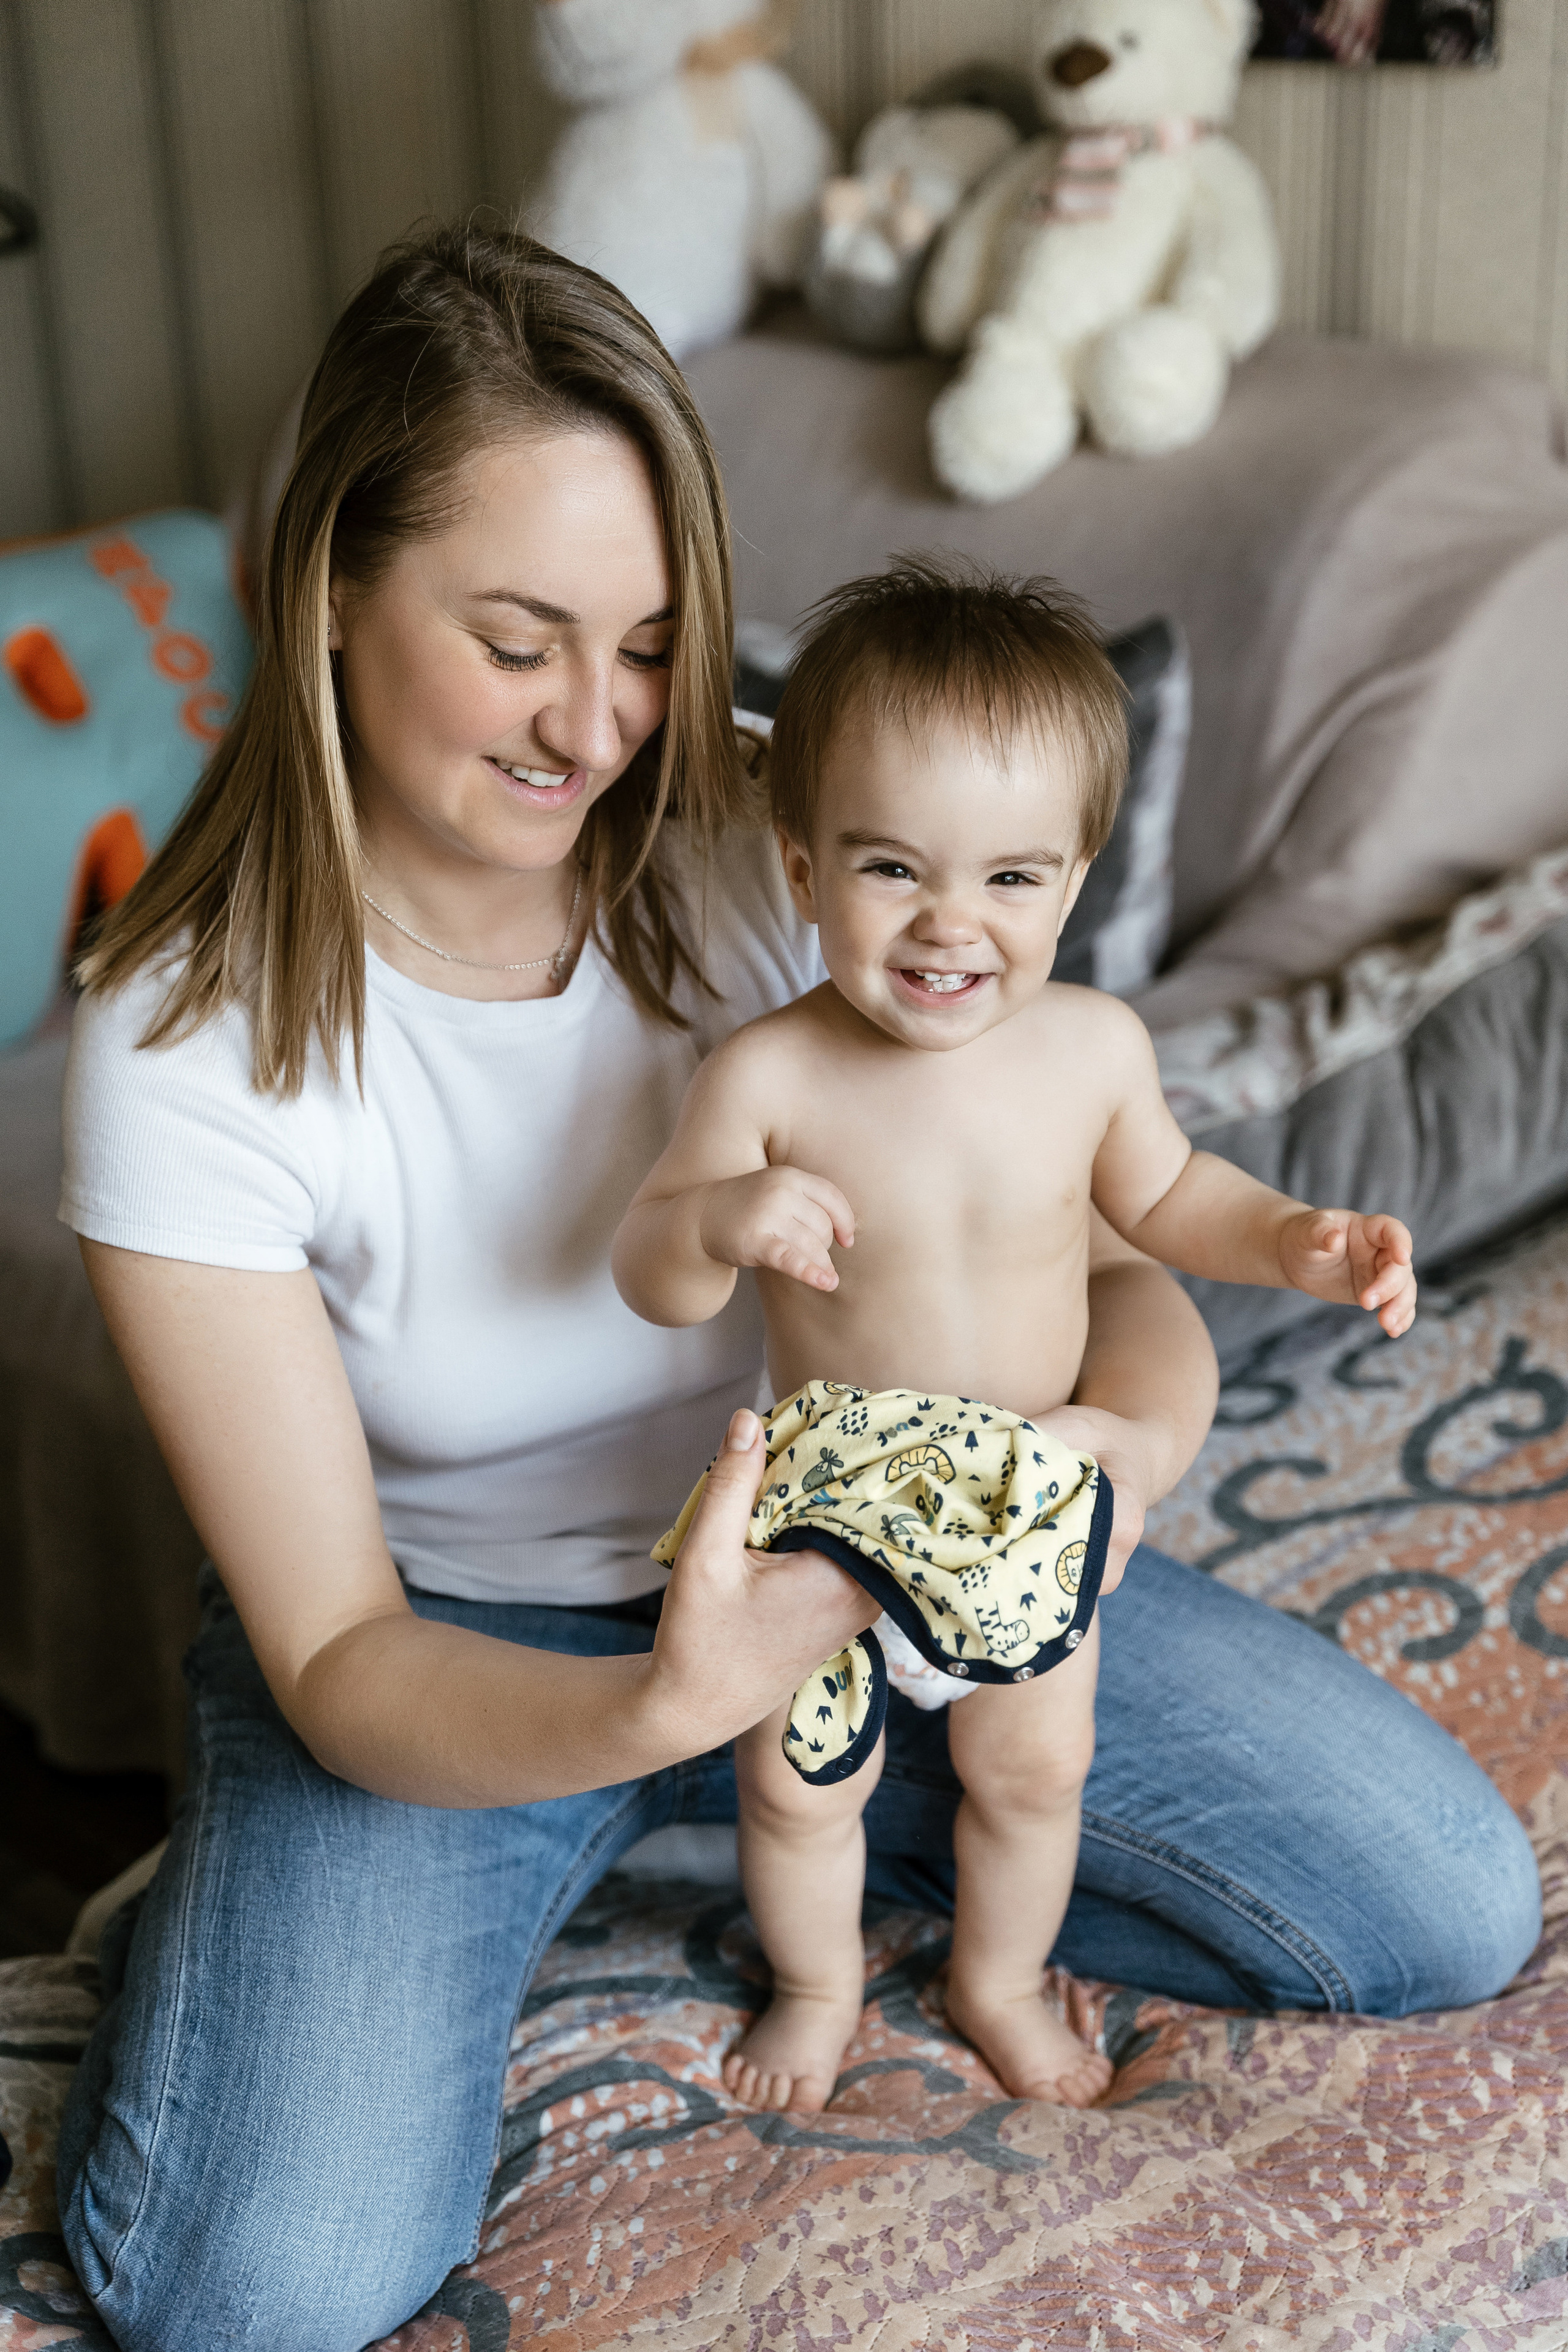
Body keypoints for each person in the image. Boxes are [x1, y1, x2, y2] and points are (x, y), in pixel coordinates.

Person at [53, 223, 1537, 2352]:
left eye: (654, 645)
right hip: (450, 1646)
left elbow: (1104, 1244)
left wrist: (1130, 1450)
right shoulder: (181, 1046)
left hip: (888, 1542)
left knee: (1435, 1907)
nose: (600, 725)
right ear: (329, 593)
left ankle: (804, 1832)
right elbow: (338, 1645)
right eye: (520, 637)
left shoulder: (793, 848)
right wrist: (667, 1695)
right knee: (248, 2291)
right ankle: (505, 1851)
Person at [612, 560, 1420, 2116]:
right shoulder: (768, 1075)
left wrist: (1297, 1243)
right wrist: (723, 1222)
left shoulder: (1090, 1051)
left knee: (1034, 1770)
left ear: (1074, 878)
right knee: (794, 1789)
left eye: (1006, 879)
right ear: (798, 867)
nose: (946, 927)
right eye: (889, 869)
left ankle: (989, 1975)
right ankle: (817, 1981)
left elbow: (1175, 1200)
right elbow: (654, 1269)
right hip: (832, 1513)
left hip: (1029, 1498)